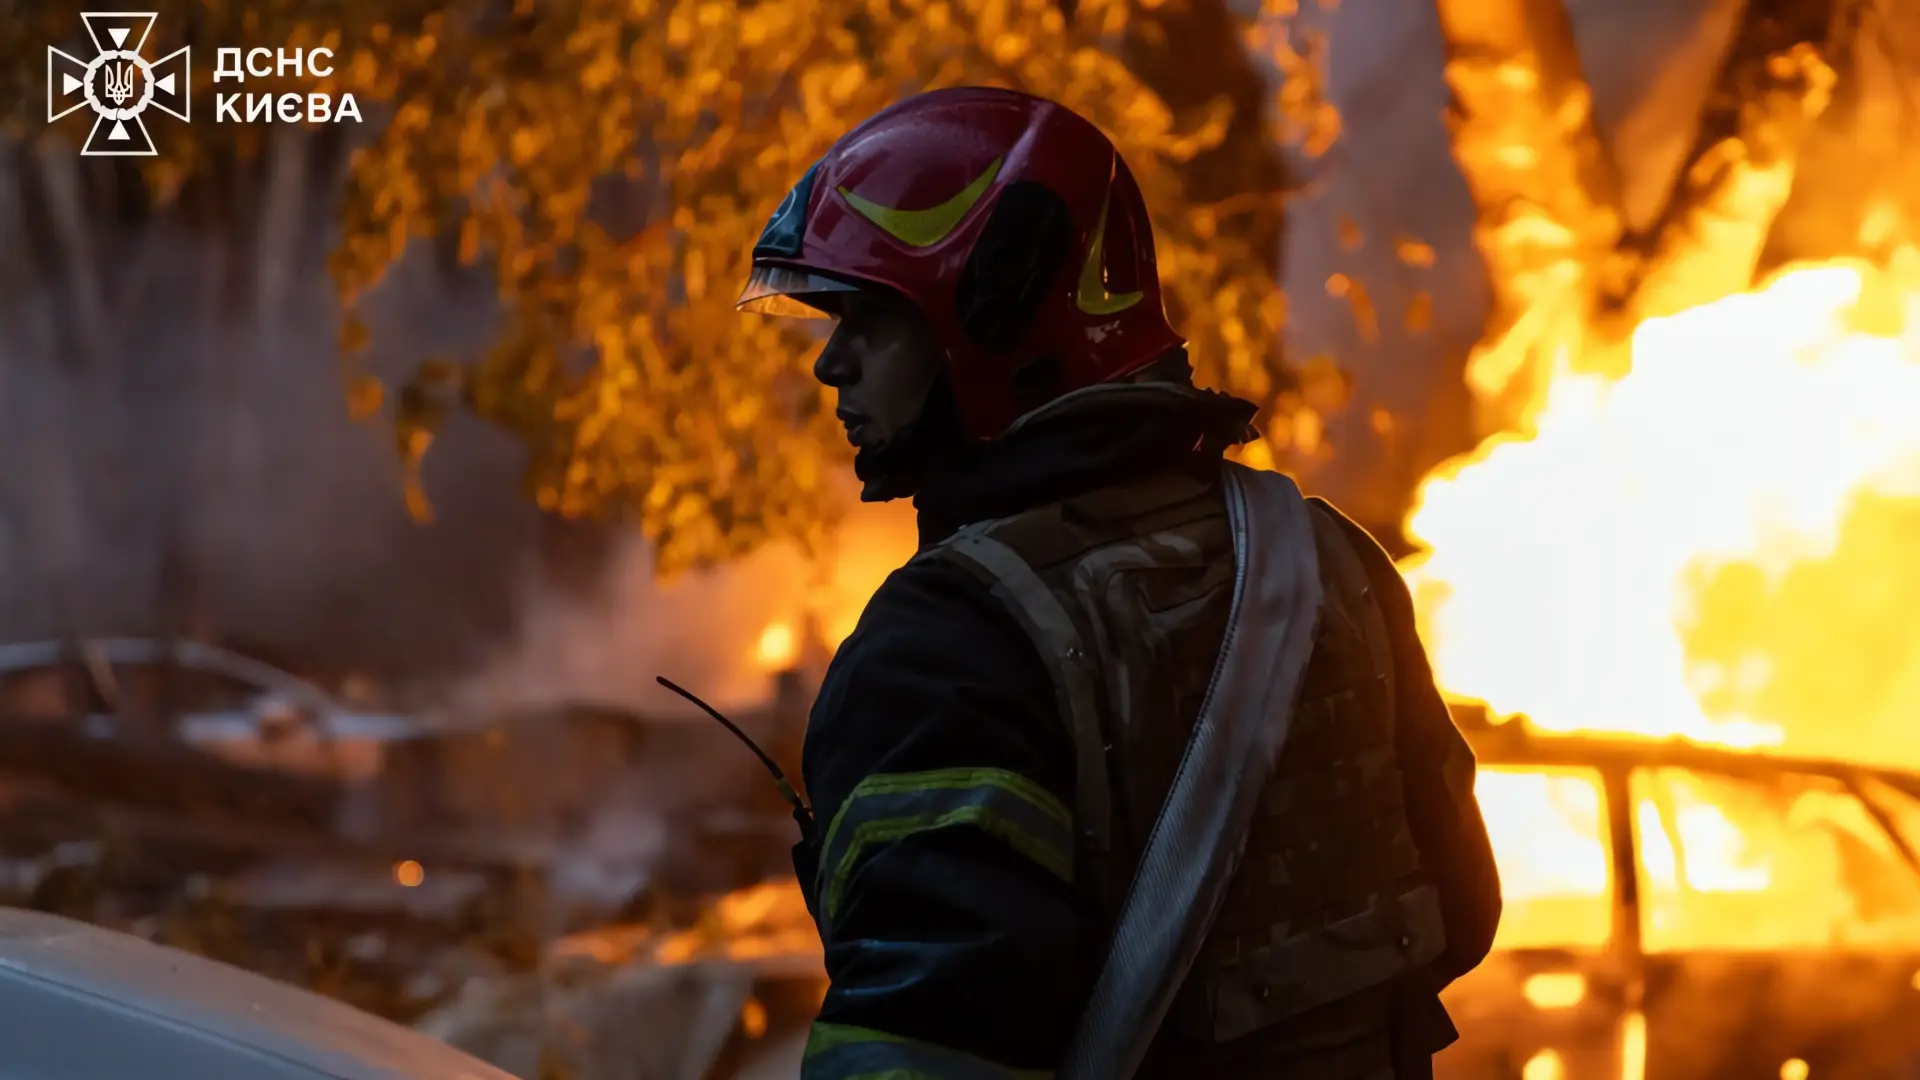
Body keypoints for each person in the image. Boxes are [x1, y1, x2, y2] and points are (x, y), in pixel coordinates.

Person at [737, 86, 1503, 1080]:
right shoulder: (1324, 558)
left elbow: (917, 1054)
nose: (831, 365)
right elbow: (1461, 913)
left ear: (995, 312)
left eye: (871, 319)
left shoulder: (945, 646)